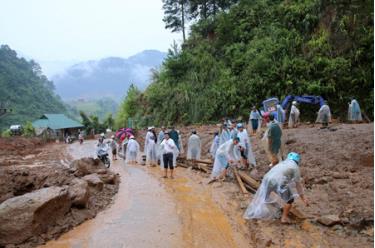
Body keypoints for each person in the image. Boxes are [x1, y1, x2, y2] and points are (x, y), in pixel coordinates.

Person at [243, 152, 309, 224]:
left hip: (267, 179)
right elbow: (298, 185)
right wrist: (303, 198)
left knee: (264, 196)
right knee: (290, 200)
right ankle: (284, 218)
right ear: (297, 161)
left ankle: (255, 211)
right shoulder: (295, 167)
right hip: (279, 182)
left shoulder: (283, 163)